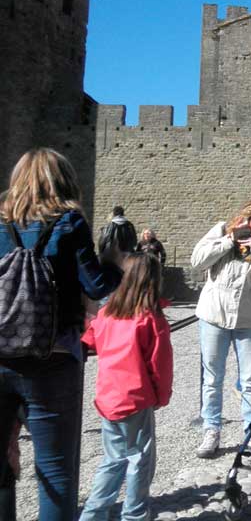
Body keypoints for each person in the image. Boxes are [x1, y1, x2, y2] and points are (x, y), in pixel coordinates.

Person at [0, 148, 122, 520]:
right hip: (53, 357)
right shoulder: (69, 223)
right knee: (54, 471)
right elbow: (97, 286)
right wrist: (114, 262)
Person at [79, 252, 173, 521]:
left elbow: (92, 339)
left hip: (108, 398)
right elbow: (160, 365)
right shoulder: (151, 319)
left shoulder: (107, 313)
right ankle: (134, 514)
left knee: (112, 460)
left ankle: (93, 514)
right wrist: (161, 397)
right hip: (136, 400)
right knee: (139, 461)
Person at [191, 196, 251, 458]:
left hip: (250, 319)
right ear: (247, 219)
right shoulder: (223, 230)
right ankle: (211, 429)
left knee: (250, 379)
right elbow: (198, 260)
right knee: (212, 377)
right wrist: (229, 240)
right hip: (214, 315)